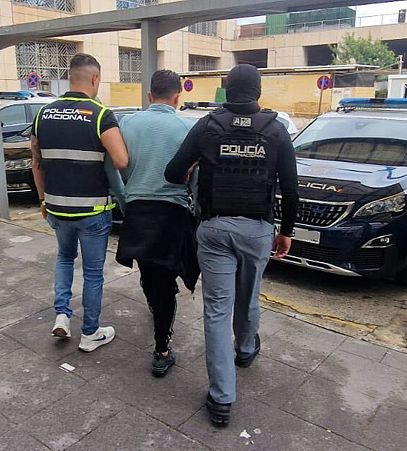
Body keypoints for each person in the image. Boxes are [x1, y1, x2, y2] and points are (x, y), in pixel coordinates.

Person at [165, 64, 298, 427]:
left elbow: (172, 172)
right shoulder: (276, 130)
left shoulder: (207, 125)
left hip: (214, 229)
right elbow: (291, 189)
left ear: (226, 90)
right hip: (257, 230)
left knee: (216, 310)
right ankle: (246, 349)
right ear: (258, 92)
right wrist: (286, 231)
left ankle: (221, 398)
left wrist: (197, 165)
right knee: (249, 294)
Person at [30, 53, 129, 353]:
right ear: (95, 78)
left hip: (57, 207)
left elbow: (36, 162)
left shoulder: (43, 114)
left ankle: (62, 314)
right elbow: (121, 161)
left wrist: (43, 200)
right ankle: (90, 333)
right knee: (93, 273)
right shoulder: (100, 115)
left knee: (64, 258)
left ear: (69, 77)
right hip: (92, 211)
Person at [110, 70, 200, 377]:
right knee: (163, 280)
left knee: (150, 275)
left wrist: (125, 201)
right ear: (177, 97)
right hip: (172, 214)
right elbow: (196, 179)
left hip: (138, 211)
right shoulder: (188, 127)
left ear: (149, 95)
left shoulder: (127, 123)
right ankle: (162, 349)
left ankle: (158, 309)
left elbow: (114, 167)